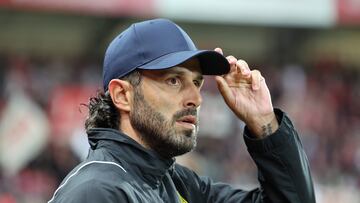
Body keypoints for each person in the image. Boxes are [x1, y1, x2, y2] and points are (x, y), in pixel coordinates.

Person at [48, 18, 315, 203]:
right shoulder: (96, 192)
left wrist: (264, 122)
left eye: (197, 82)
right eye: (173, 81)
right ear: (122, 95)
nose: (196, 99)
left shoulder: (176, 184)